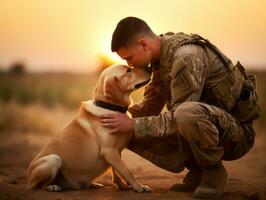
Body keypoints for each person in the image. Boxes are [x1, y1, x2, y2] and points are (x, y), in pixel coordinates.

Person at [100, 17, 260, 198]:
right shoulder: (160, 60)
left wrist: (132, 124)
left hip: (236, 134)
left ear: (144, 44)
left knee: (185, 114)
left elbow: (179, 117)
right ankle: (197, 170)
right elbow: (149, 107)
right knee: (118, 124)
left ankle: (212, 171)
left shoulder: (186, 57)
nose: (129, 64)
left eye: (129, 58)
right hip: (203, 125)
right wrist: (107, 115)